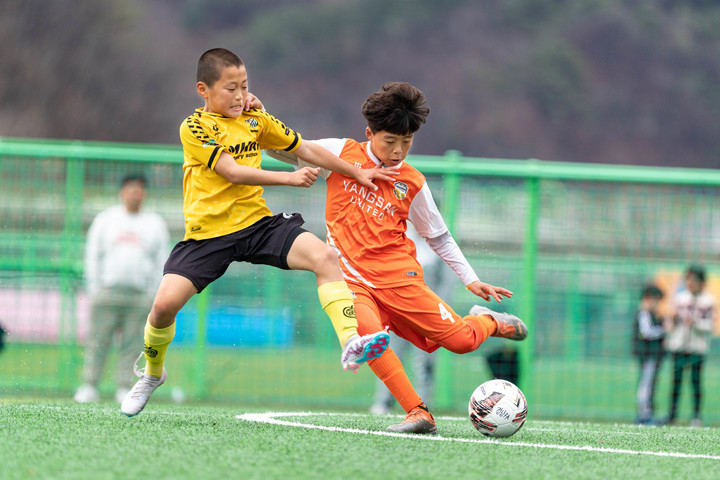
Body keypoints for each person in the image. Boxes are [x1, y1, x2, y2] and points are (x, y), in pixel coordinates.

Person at [120, 48, 395, 417]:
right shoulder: (194, 127)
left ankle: (351, 341)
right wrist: (289, 178)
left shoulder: (256, 121)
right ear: (203, 89)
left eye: (244, 86)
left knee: (324, 257)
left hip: (257, 225)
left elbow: (307, 149)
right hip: (209, 235)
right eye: (230, 88)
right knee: (163, 307)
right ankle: (153, 374)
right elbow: (232, 171)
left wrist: (355, 171)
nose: (239, 95)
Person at [268, 81, 528, 434]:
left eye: (407, 142)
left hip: (400, 280)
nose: (398, 151)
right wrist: (259, 118)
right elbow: (283, 149)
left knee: (461, 342)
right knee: (367, 338)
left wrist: (471, 279)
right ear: (369, 133)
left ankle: (489, 321)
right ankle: (418, 413)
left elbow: (439, 237)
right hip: (352, 280)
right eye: (390, 141)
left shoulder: (413, 182)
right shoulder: (340, 152)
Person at [74, 174, 169, 403]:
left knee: (133, 343)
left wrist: (152, 292)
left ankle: (124, 386)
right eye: (131, 189)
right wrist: (94, 287)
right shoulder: (106, 220)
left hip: (139, 295)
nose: (135, 193)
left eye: (139, 189)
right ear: (122, 191)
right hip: (106, 291)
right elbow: (92, 256)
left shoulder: (155, 224)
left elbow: (161, 260)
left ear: (144, 193)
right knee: (97, 340)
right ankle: (89, 385)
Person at [369, 226, 453, 414]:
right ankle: (384, 402)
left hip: (427, 318)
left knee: (424, 363)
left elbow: (446, 285)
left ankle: (422, 405)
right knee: (390, 356)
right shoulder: (399, 240)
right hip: (398, 313)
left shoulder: (438, 246)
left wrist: (440, 314)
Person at [665, 265, 716, 427]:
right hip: (679, 346)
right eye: (688, 279)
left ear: (702, 282)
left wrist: (696, 323)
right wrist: (672, 320)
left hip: (697, 347)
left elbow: (710, 326)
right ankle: (672, 414)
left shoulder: (708, 301)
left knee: (695, 381)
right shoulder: (680, 298)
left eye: (694, 280)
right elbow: (670, 323)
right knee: (676, 381)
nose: (690, 283)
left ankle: (696, 415)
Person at [632, 284, 666, 426]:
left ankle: (646, 412)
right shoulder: (644, 314)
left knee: (649, 384)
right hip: (647, 355)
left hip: (651, 355)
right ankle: (644, 414)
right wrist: (663, 330)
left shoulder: (649, 314)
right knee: (646, 385)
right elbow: (647, 332)